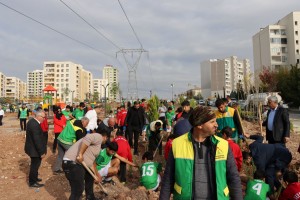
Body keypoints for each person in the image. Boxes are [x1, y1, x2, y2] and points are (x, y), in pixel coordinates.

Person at [160, 106, 243, 199]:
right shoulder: (177, 144)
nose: (216, 125)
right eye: (212, 122)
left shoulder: (223, 145)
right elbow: (168, 178)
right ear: (199, 125)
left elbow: (234, 178)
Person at [62, 132, 108, 200]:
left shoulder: (95, 147)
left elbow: (92, 162)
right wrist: (80, 154)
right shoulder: (99, 137)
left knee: (90, 177)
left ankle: (90, 197)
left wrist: (96, 175)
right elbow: (88, 137)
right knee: (78, 189)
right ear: (105, 137)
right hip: (72, 162)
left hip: (79, 164)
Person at [24, 110, 47, 187]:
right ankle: (32, 182)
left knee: (35, 165)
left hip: (32, 148)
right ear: (39, 116)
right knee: (35, 166)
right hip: (34, 150)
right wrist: (41, 152)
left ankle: (35, 178)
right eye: (43, 117)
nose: (44, 119)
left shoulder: (32, 122)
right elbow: (37, 140)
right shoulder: (34, 125)